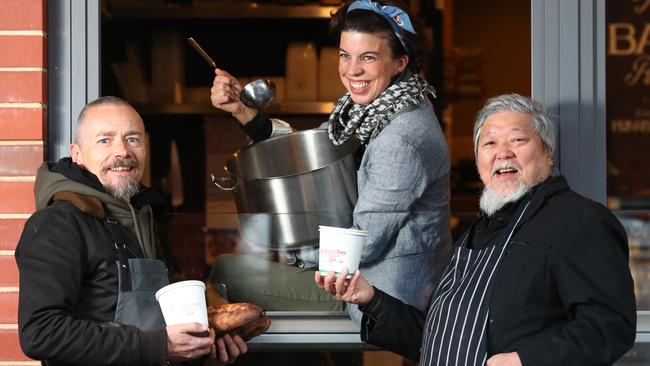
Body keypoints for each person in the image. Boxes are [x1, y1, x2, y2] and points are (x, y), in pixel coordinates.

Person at [316, 93, 637, 365]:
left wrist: (525, 360)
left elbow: (610, 327)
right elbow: (437, 341)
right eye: (490, 143)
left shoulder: (579, 220)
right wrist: (371, 299)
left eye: (518, 140)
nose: (503, 152)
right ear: (479, 160)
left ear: (548, 153)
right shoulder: (478, 231)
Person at [208, 0, 452, 323]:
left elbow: (360, 247)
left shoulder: (401, 139)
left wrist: (291, 252)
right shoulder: (375, 107)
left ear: (399, 62)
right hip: (361, 275)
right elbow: (313, 149)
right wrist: (243, 111)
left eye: (368, 57)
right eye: (345, 55)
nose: (352, 70)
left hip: (381, 294)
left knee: (227, 270)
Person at [14, 96, 247, 366]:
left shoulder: (148, 221)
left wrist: (200, 352)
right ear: (76, 154)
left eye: (133, 139)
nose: (122, 152)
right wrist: (160, 345)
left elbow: (160, 331)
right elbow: (41, 332)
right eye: (105, 140)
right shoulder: (57, 223)